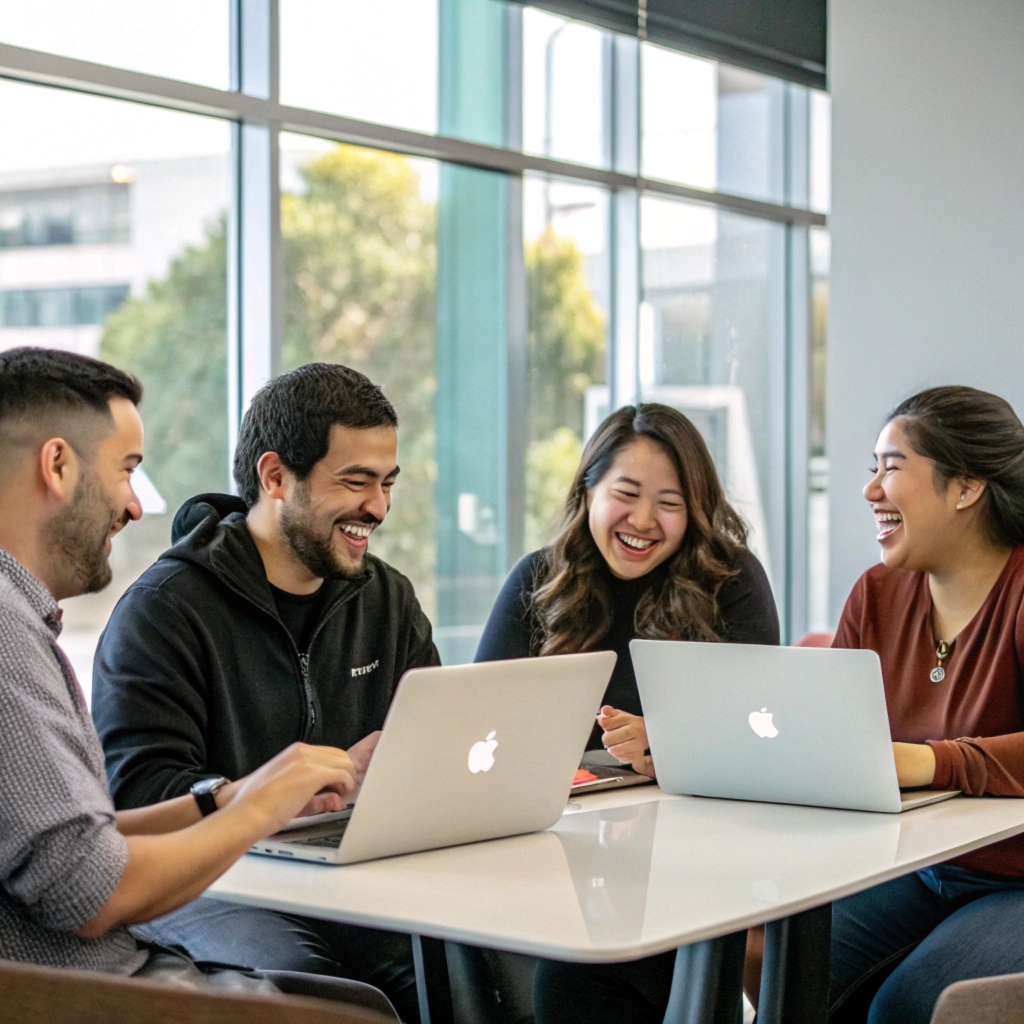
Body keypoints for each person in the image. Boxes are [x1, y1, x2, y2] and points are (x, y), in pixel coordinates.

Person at [0, 347, 388, 1008]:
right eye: (126, 470)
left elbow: (75, 841)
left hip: (104, 972)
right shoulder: (11, 635)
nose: (133, 505)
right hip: (76, 995)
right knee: (357, 1010)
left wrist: (236, 798)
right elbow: (89, 894)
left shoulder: (22, 621)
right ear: (58, 466)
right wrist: (261, 808)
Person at [91, 362, 440, 1022]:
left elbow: (435, 743)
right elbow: (134, 797)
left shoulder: (386, 598)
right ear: (275, 477)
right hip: (213, 882)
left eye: (388, 483)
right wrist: (272, 794)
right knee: (306, 983)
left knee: (454, 966)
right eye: (356, 482)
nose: (380, 507)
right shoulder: (165, 610)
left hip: (353, 867)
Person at [475, 402, 779, 1024]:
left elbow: (763, 740)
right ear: (587, 490)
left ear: (694, 510)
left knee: (585, 978)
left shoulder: (733, 581)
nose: (643, 521)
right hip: (555, 852)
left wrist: (670, 746)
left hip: (691, 861)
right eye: (627, 493)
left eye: (669, 503)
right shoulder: (539, 578)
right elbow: (479, 728)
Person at [822, 386, 1024, 1024]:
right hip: (916, 866)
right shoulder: (877, 594)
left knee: (907, 1004)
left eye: (892, 467)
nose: (871, 490)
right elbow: (822, 730)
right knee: (763, 952)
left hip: (1014, 881)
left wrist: (933, 763)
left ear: (965, 489)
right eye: (872, 468)